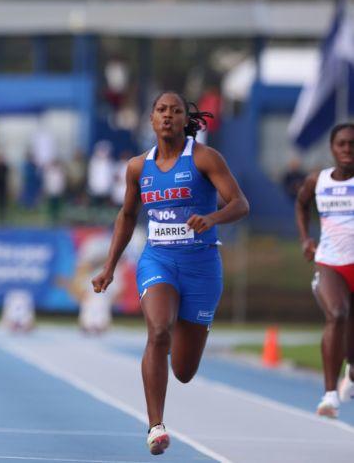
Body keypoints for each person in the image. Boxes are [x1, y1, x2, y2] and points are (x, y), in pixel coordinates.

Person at [91, 92, 248, 456]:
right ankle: (156, 425)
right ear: (151, 119)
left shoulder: (205, 158)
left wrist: (211, 218)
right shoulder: (136, 167)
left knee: (184, 370)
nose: (168, 116)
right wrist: (109, 266)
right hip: (158, 260)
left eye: (176, 111)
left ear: (184, 119)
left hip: (202, 265)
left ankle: (191, 323)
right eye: (161, 110)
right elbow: (127, 216)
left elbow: (240, 203)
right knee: (158, 330)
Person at [295, 122, 354, 418]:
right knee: (338, 314)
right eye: (341, 143)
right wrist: (306, 238)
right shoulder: (317, 181)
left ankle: (351, 371)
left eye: (352, 144)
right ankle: (330, 395)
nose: (347, 149)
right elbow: (301, 205)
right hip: (331, 263)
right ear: (332, 148)